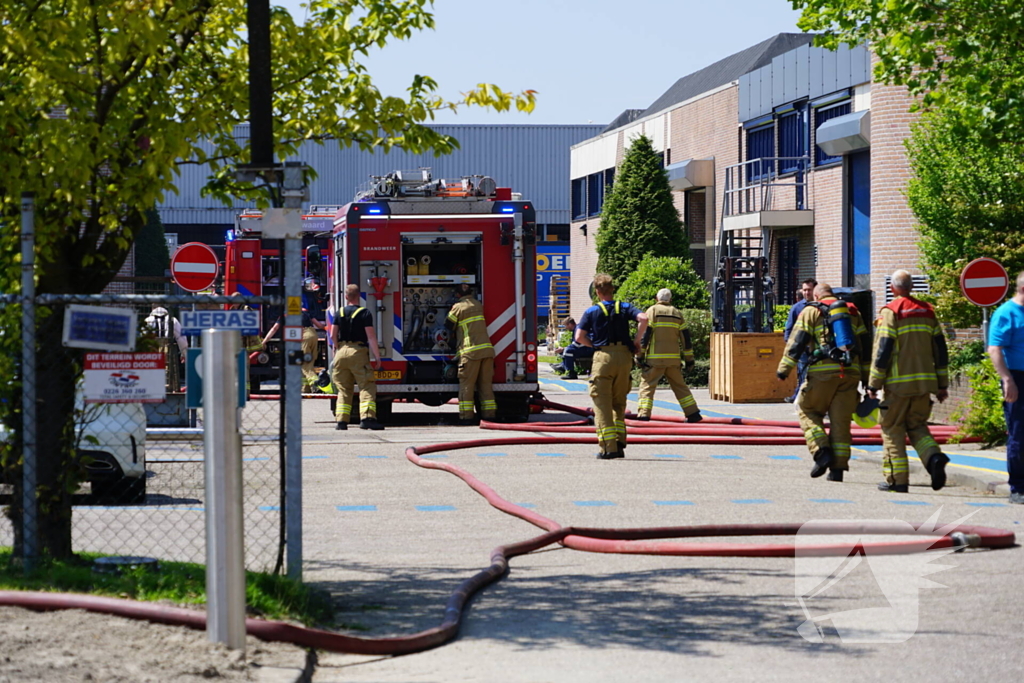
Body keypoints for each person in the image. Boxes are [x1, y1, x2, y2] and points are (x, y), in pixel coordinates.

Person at [867, 270, 949, 493]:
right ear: (912, 287)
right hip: (924, 385)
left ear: (893, 289)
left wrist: (873, 385)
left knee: (892, 429)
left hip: (898, 386)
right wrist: (942, 384)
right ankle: (934, 457)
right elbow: (940, 351)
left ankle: (897, 480)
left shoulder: (891, 312)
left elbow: (883, 351)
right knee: (917, 426)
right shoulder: (928, 312)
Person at [777, 283, 868, 480]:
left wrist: (784, 368)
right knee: (841, 422)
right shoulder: (853, 312)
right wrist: (868, 379)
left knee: (807, 410)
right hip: (850, 373)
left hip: (823, 373)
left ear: (816, 296)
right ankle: (838, 470)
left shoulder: (811, 311)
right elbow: (865, 346)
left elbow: (797, 341)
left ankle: (821, 451)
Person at [576, 273, 648, 460]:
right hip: (624, 357)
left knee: (601, 404)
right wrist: (637, 340)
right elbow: (644, 318)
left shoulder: (592, 312)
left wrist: (594, 345)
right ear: (612, 290)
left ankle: (608, 448)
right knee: (619, 402)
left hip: (603, 358)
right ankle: (620, 442)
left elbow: (578, 337)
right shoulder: (624, 307)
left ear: (597, 292)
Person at [635, 288, 701, 423]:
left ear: (656, 298)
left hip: (655, 360)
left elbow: (645, 336)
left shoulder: (652, 311)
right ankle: (693, 413)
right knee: (680, 386)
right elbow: (686, 339)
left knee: (647, 386)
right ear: (670, 299)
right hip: (673, 360)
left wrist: (640, 355)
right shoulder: (677, 313)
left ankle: (644, 415)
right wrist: (689, 360)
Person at [988, 270, 1024, 504]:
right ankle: (1018, 487)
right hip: (1018, 378)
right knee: (1019, 433)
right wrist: (1007, 379)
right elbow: (995, 349)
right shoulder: (1006, 313)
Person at [329, 284, 384, 430]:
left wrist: (337, 348)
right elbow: (371, 337)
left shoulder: (339, 312)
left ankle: (341, 422)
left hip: (341, 352)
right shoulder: (364, 313)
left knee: (343, 388)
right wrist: (377, 357)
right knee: (366, 386)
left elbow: (332, 335)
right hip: (358, 352)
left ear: (346, 297)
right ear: (358, 295)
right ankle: (367, 419)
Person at [445, 284, 496, 425]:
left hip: (470, 352)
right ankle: (489, 416)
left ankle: (466, 417)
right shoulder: (478, 304)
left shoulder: (458, 307)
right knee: (485, 385)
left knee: (467, 385)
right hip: (487, 350)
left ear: (457, 295)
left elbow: (448, 325)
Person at [262, 295, 327, 393]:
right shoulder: (305, 311)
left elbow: (274, 329)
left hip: (303, 336)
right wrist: (330, 328)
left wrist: (265, 341)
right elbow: (319, 325)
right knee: (309, 362)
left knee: (304, 363)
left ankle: (316, 384)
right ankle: (306, 388)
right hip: (313, 335)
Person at [783, 279, 817, 403]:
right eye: (805, 290)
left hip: (818, 348)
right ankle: (800, 396)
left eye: (809, 290)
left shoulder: (821, 306)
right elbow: (789, 327)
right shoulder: (797, 308)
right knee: (802, 372)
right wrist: (789, 343)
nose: (807, 293)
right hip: (802, 347)